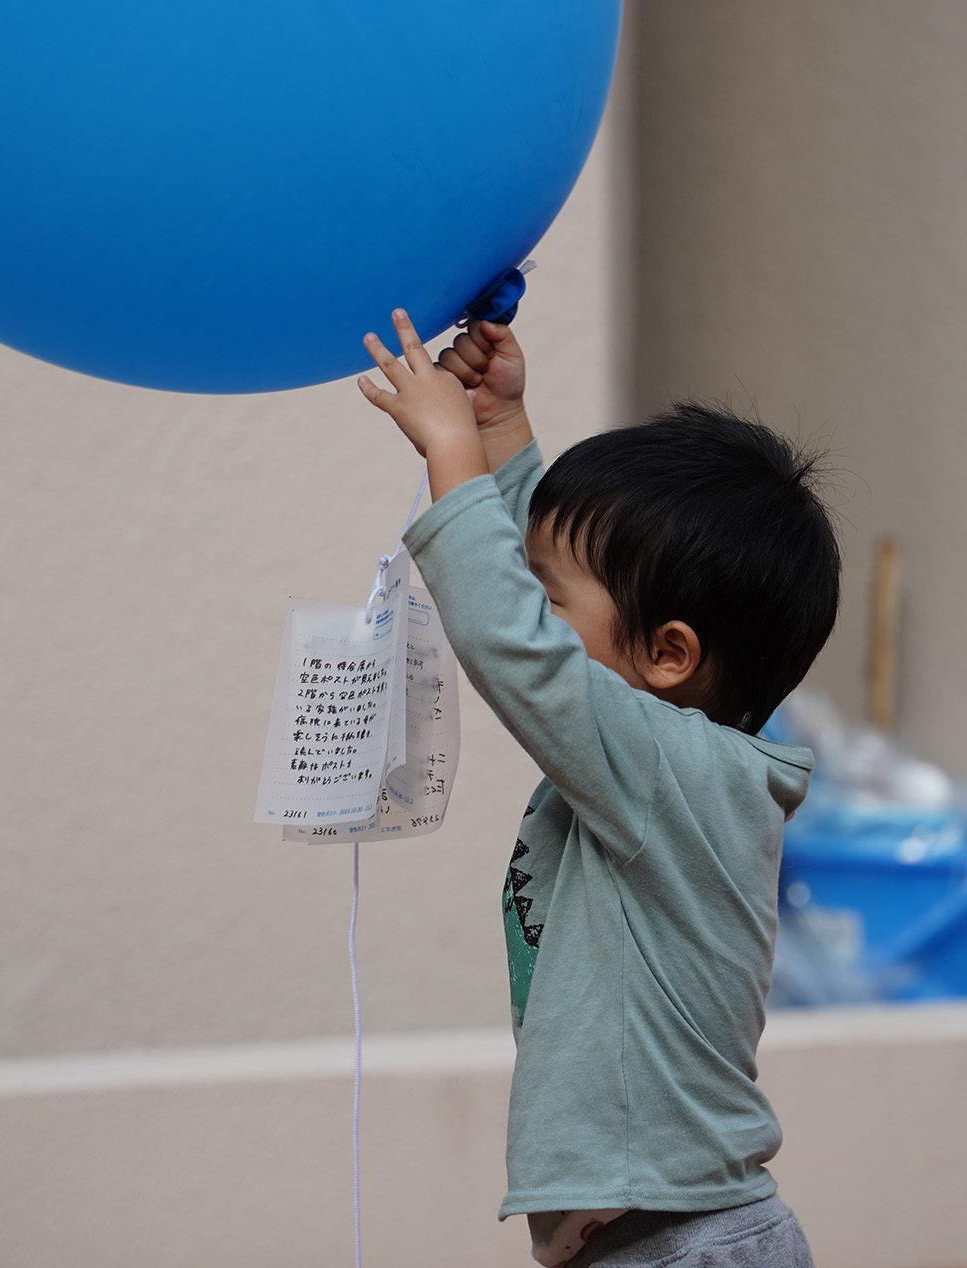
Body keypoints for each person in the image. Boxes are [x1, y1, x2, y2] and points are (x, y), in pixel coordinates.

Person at [357, 310, 839, 1268]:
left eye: (552, 602)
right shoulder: (665, 760)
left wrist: (450, 452)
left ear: (670, 655)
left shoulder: (679, 777)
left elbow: (519, 645)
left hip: (687, 1246)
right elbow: (566, 595)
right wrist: (500, 434)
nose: (535, 612)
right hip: (660, 1240)